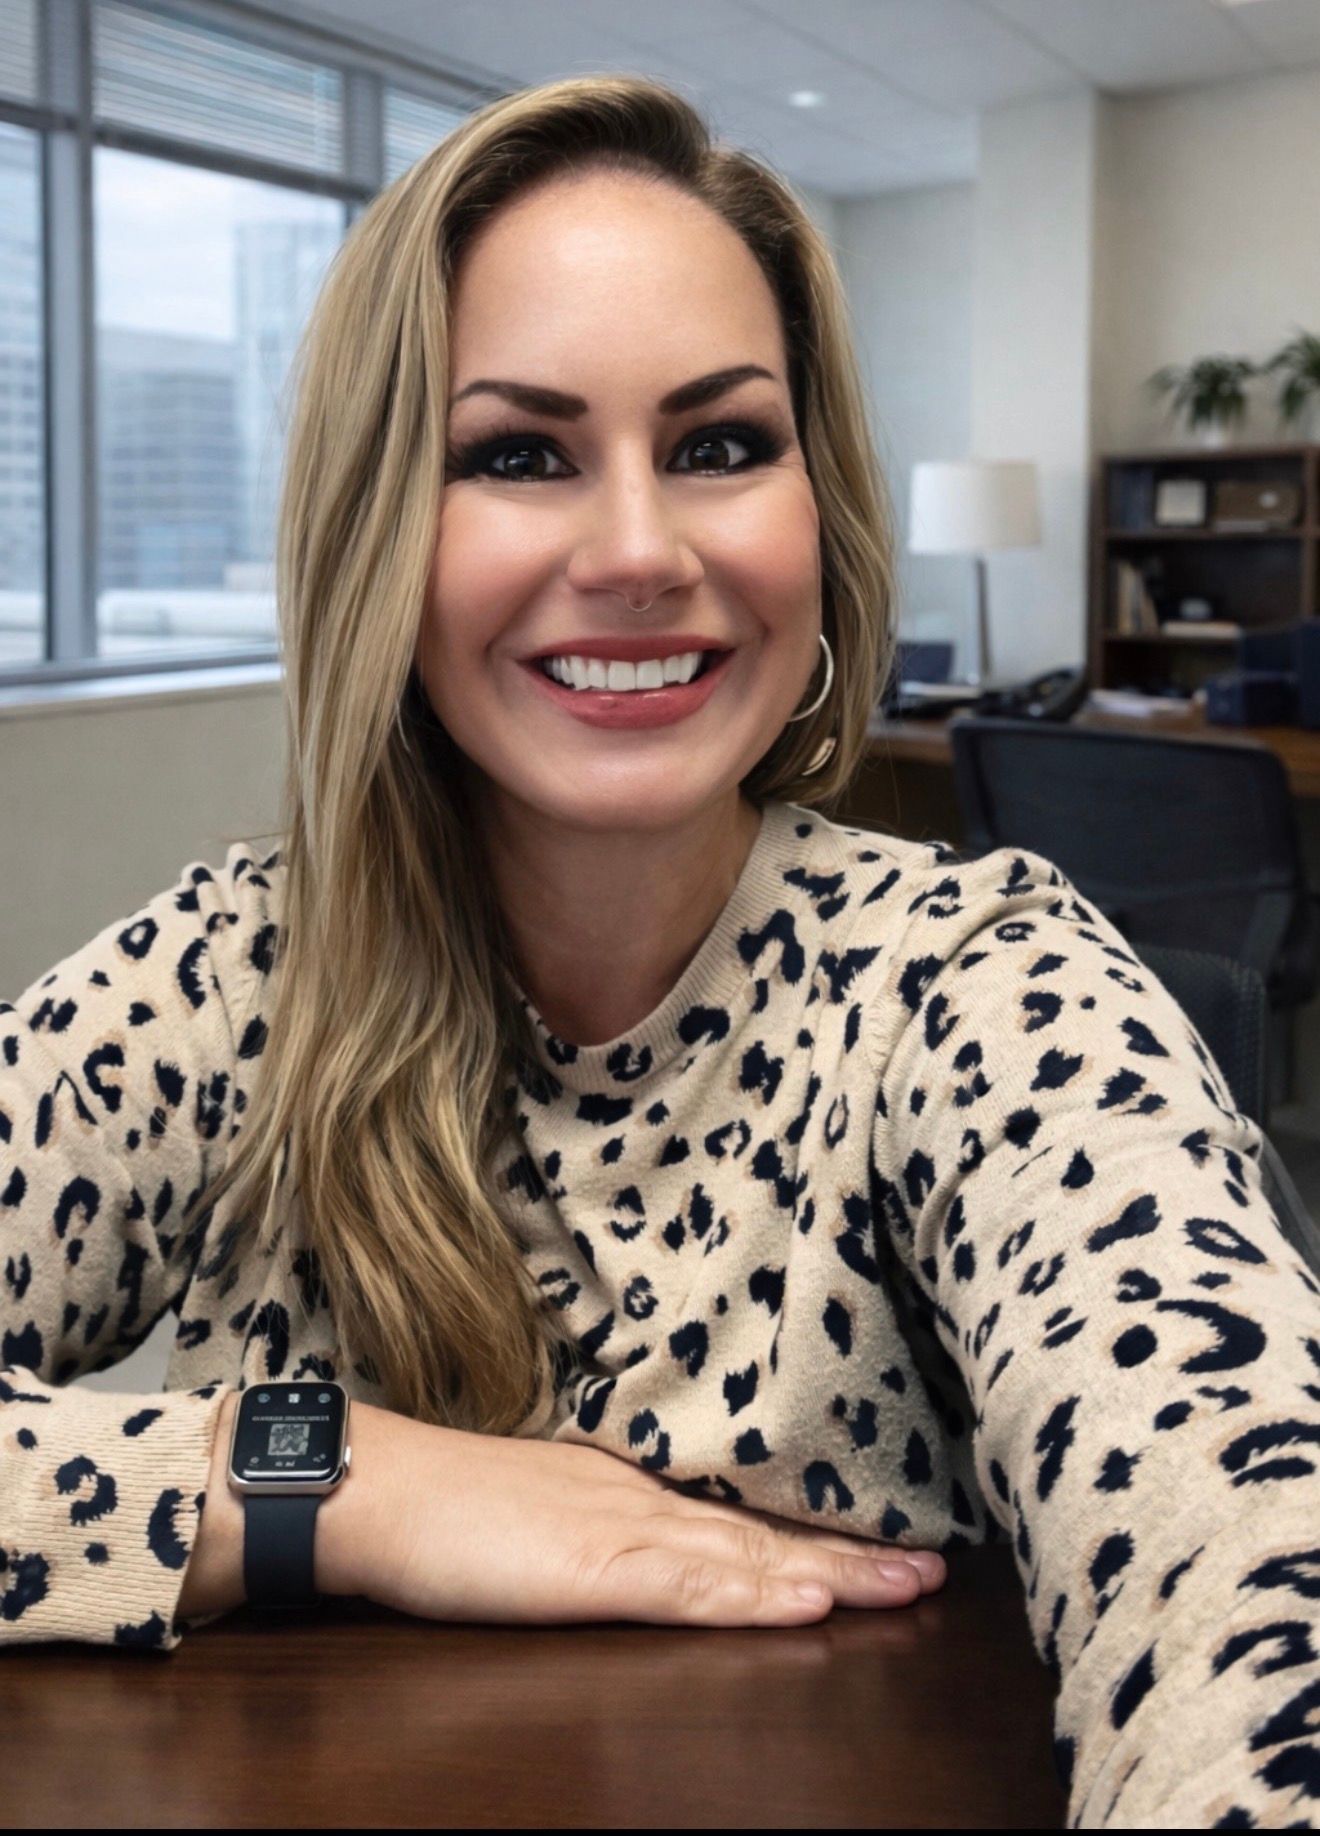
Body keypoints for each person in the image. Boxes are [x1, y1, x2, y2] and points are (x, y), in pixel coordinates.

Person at [3, 71, 1318, 1828]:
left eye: (718, 444)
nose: (639, 552)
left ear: (817, 509)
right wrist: (333, 1481)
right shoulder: (234, 978)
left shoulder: (978, 986)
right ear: (378, 534)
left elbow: (1247, 1549)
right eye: (517, 455)